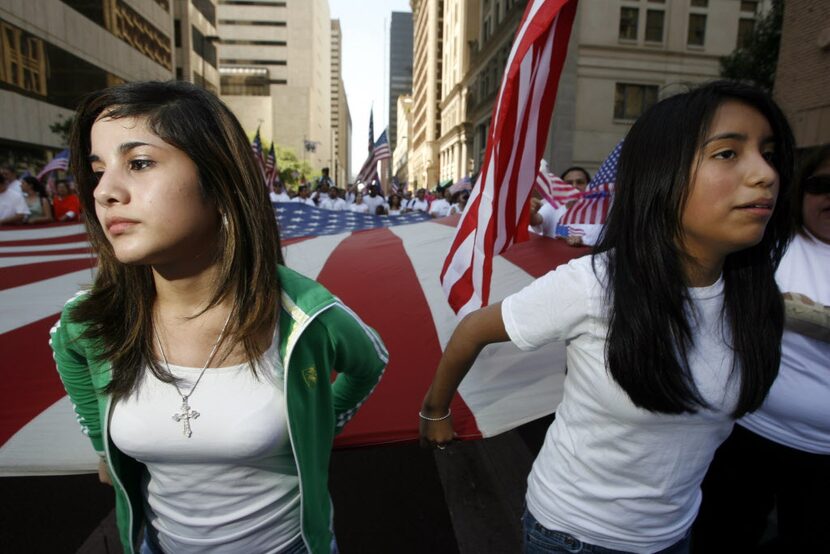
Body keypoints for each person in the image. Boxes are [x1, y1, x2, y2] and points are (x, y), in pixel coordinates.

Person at [420, 80, 795, 554]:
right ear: (662, 174)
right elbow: (473, 329)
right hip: (570, 537)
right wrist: (435, 410)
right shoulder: (594, 284)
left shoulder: (757, 300)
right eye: (727, 154)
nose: (765, 174)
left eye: (770, 153)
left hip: (673, 537)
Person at [50, 80, 387, 554]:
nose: (104, 192)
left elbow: (370, 361)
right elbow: (68, 352)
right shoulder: (89, 320)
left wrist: (318, 425)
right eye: (98, 169)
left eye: (139, 163)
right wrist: (101, 445)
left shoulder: (303, 315)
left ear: (219, 180)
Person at [692, 146, 830, 552]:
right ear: (800, 191)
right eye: (822, 185)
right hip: (748, 430)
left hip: (824, 456)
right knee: (720, 538)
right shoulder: (765, 242)